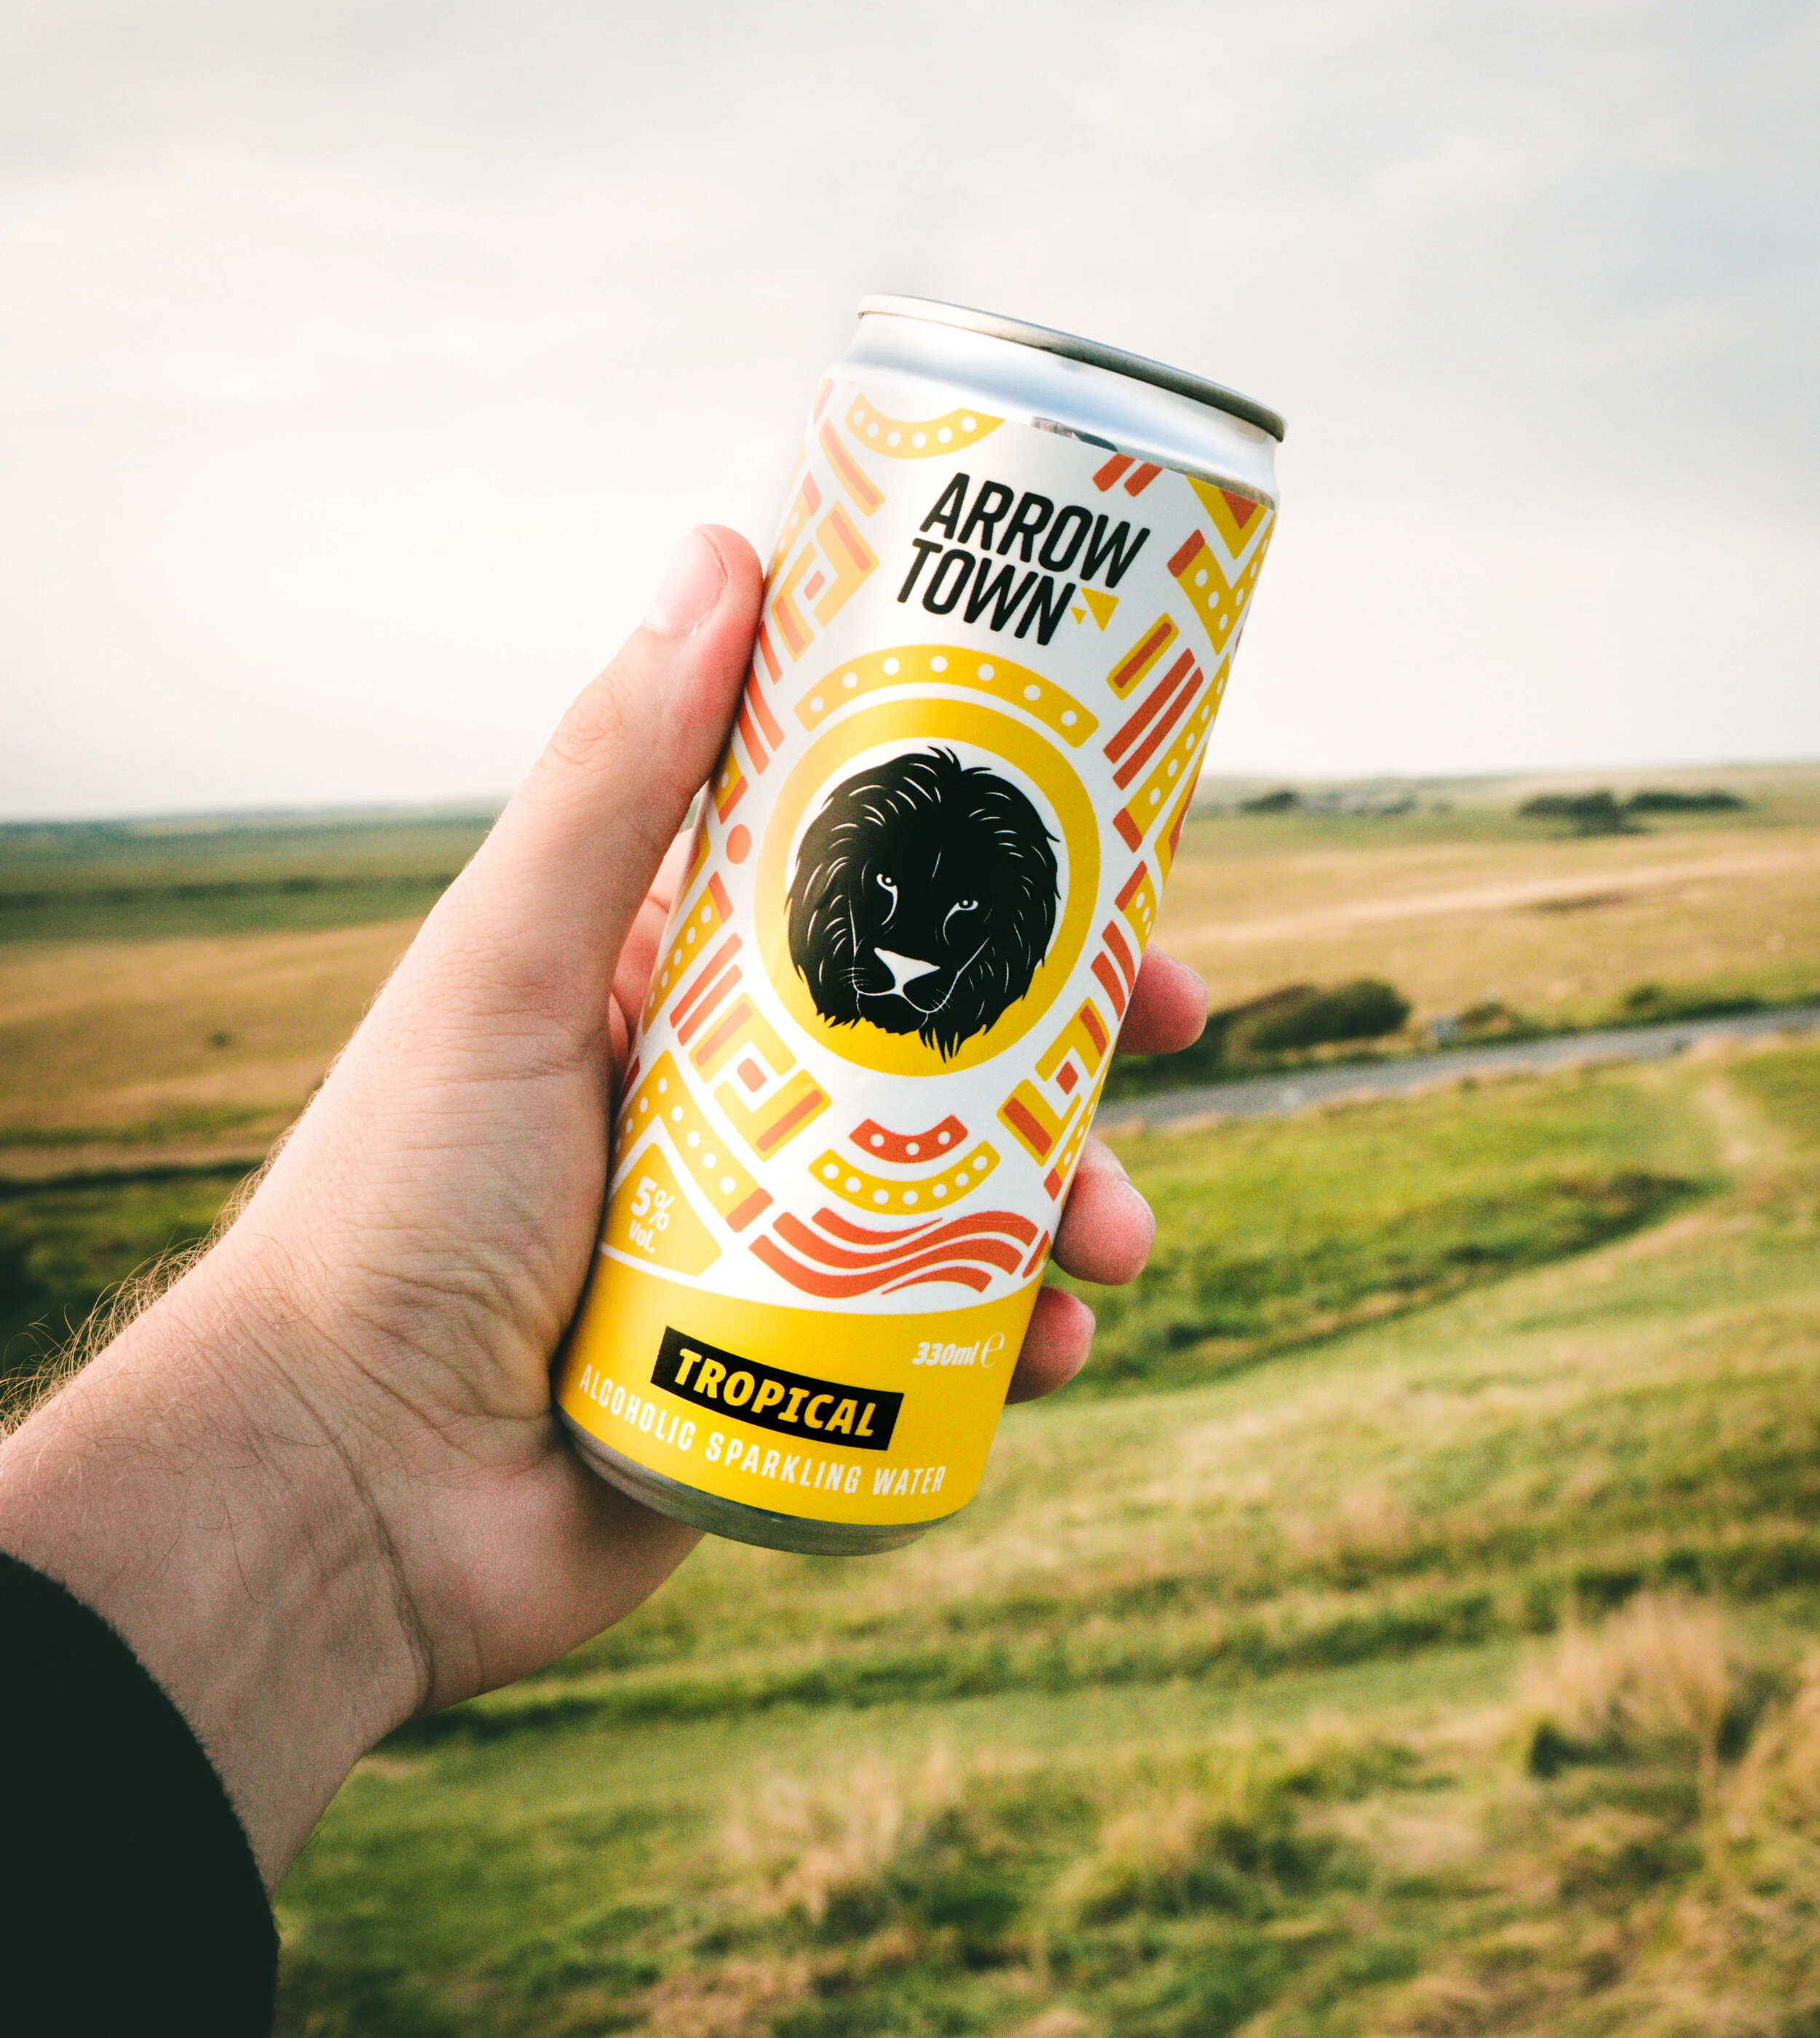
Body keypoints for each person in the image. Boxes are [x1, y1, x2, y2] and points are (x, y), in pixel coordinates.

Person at [0, 528, 1207, 2034]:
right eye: (885, 912)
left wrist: (325, 1442)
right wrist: (327, 1408)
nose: (907, 958)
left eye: (962, 936)